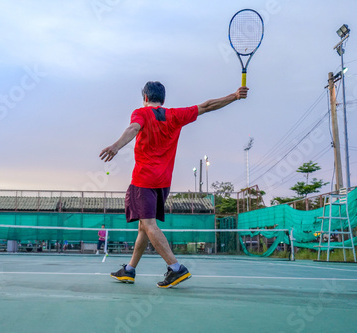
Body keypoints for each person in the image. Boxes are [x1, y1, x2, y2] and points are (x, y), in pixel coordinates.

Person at [100, 81, 248, 288]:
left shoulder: (141, 113)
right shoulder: (175, 115)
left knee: (149, 225)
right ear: (163, 99)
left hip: (143, 180)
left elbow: (134, 127)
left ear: (145, 97)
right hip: (163, 183)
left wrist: (116, 146)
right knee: (144, 226)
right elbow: (206, 106)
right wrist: (234, 95)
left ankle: (176, 268)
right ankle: (130, 270)